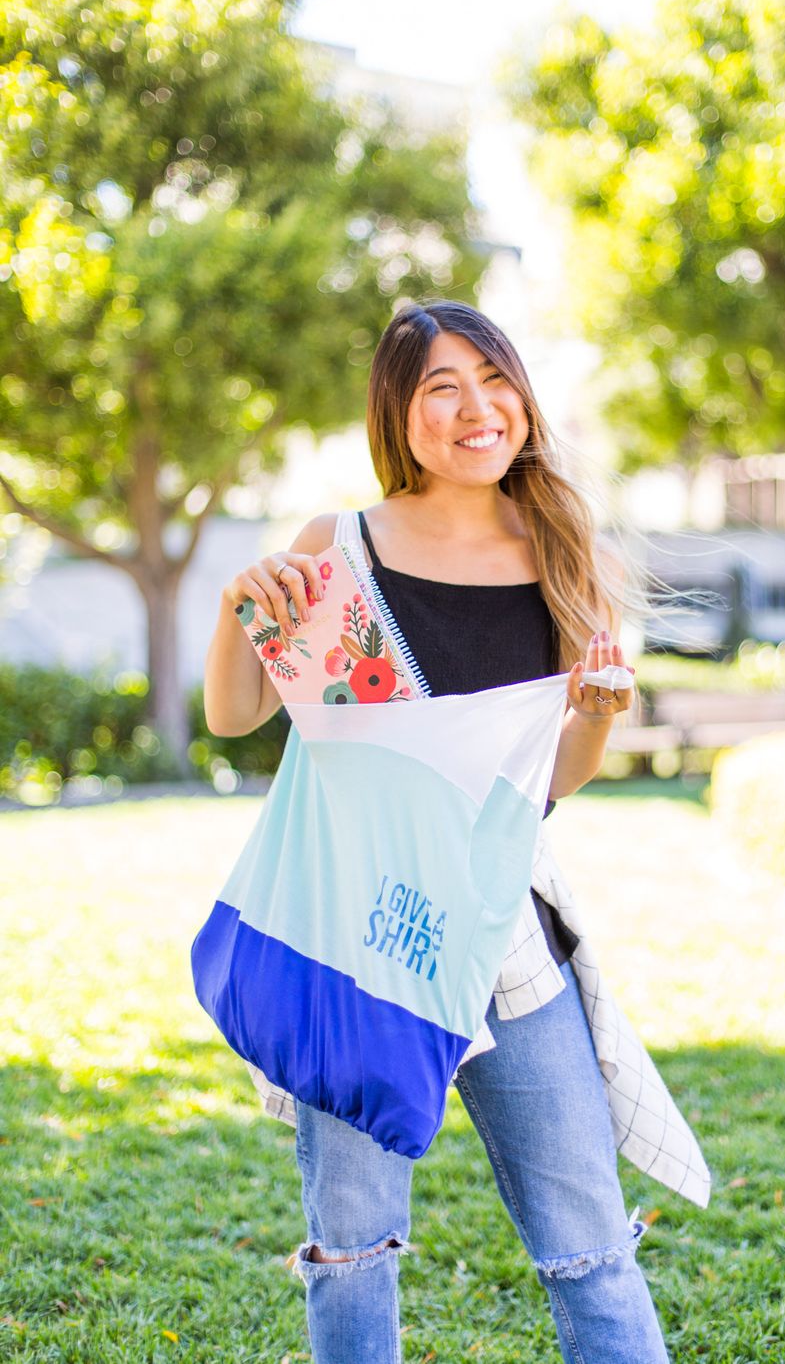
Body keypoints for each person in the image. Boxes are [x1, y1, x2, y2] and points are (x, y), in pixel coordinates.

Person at [203, 300, 696, 1364]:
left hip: (501, 924)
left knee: (590, 1244)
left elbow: (550, 781)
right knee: (351, 1244)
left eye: (495, 378)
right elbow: (234, 715)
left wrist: (595, 718)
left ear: (522, 397)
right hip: (352, 938)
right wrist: (238, 603)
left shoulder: (564, 552)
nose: (476, 408)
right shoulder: (334, 547)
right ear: (399, 409)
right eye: (441, 386)